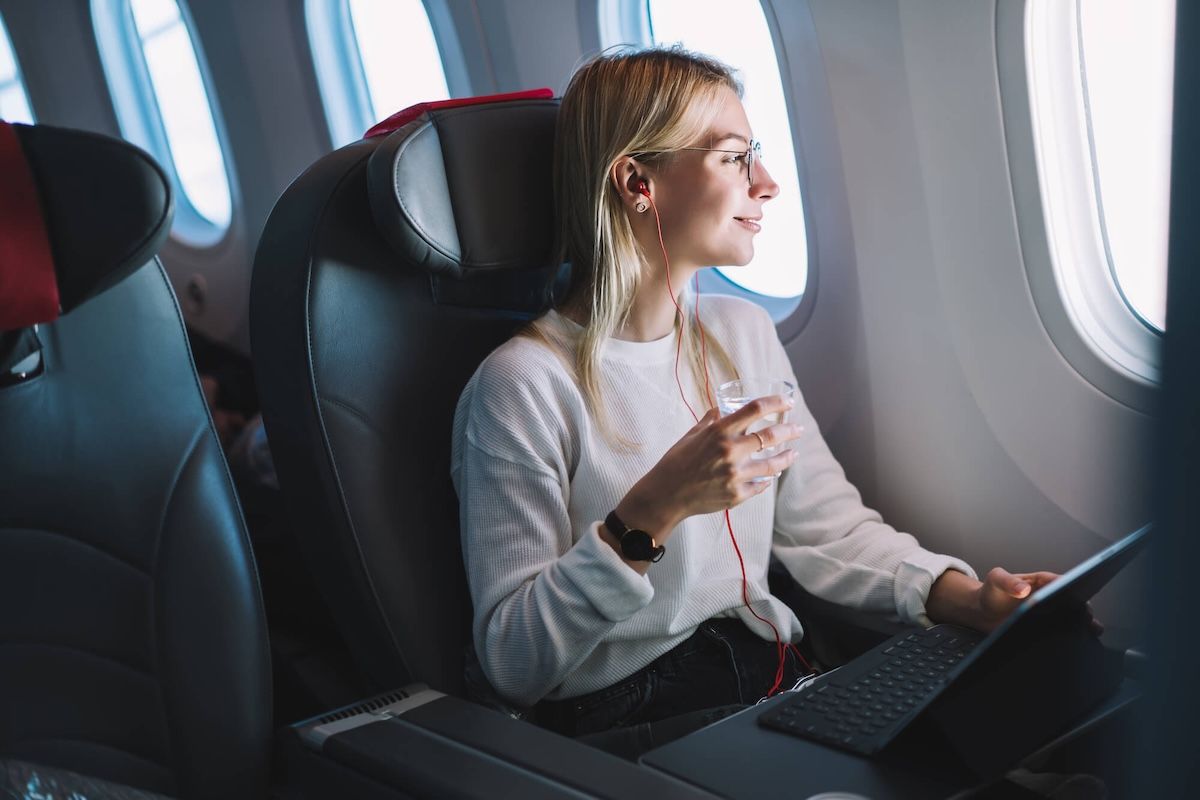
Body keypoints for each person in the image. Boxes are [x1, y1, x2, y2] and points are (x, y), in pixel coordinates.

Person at [450, 46, 1058, 759]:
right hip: (632, 724)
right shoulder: (521, 386)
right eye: (735, 158)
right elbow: (514, 664)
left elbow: (825, 531)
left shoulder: (742, 335)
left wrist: (967, 598)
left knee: (1027, 741)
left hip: (775, 679)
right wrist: (653, 510)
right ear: (637, 181)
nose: (767, 184)